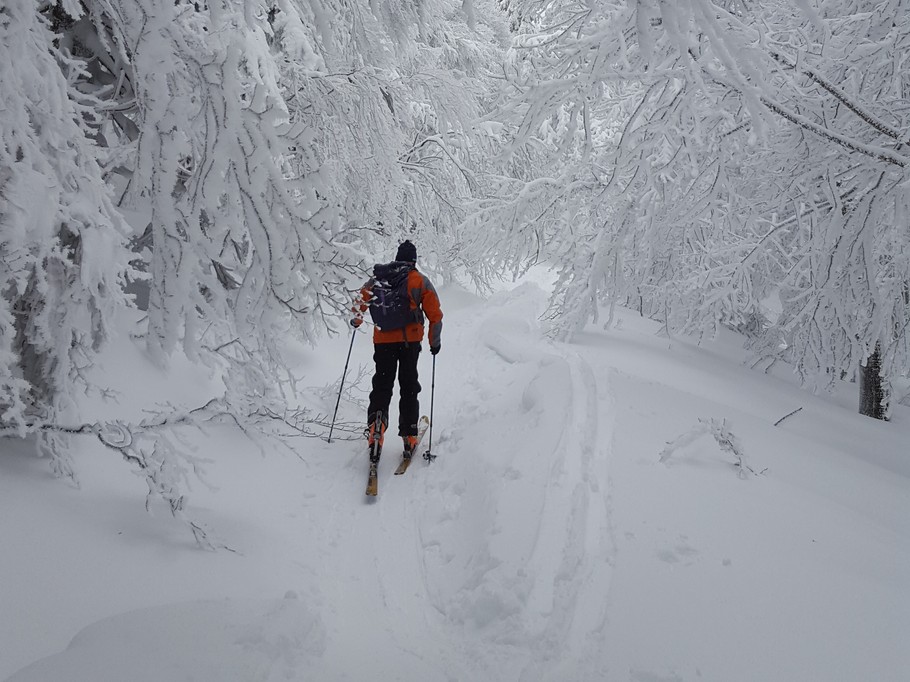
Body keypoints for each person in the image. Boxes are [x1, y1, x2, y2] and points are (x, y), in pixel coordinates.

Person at [351, 240, 442, 462]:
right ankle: (410, 436)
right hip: (409, 342)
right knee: (409, 386)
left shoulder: (379, 278)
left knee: (382, 386)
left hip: (382, 342)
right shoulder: (419, 280)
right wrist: (434, 342)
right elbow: (435, 315)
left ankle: (375, 430)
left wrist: (356, 320)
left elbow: (358, 304)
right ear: (414, 260)